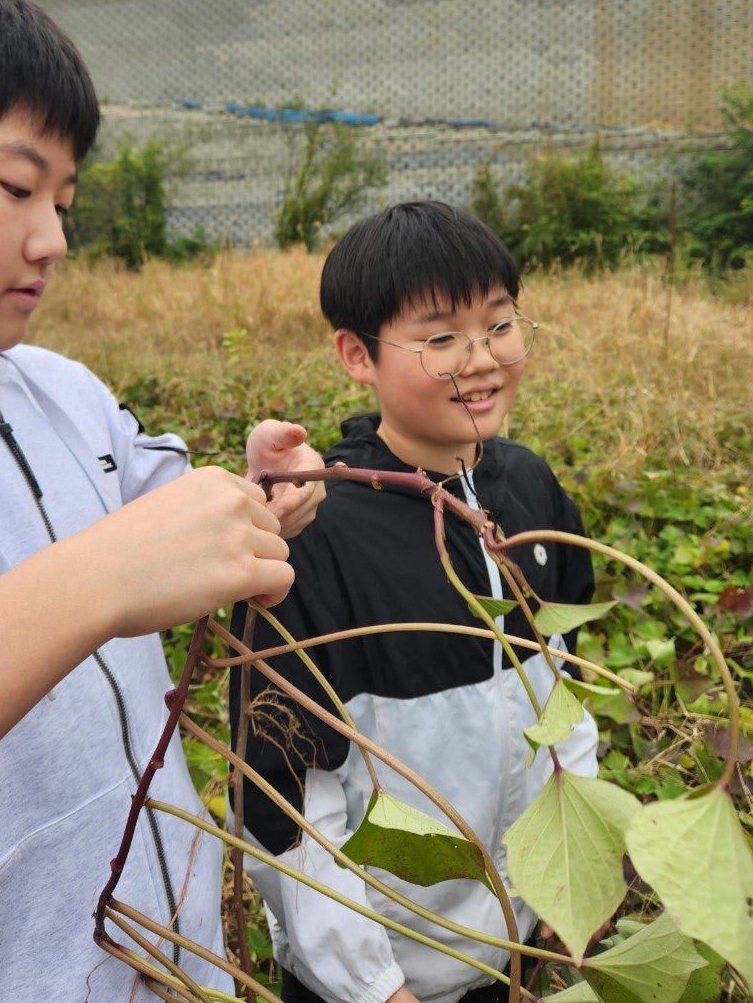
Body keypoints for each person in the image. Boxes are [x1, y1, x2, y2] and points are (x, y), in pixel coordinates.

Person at [0, 0, 324, 1000]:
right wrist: (91, 581)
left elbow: (146, 540)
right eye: (17, 186)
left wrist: (245, 497)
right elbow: (108, 571)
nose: (53, 237)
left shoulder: (57, 388)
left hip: (165, 958)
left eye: (64, 197)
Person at [229, 200, 599, 1003]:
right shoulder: (318, 535)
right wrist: (372, 987)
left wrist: (576, 891)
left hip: (519, 949)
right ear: (356, 355)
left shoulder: (529, 486)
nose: (482, 358)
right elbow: (285, 797)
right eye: (440, 338)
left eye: (499, 325)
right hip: (380, 979)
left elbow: (567, 699)